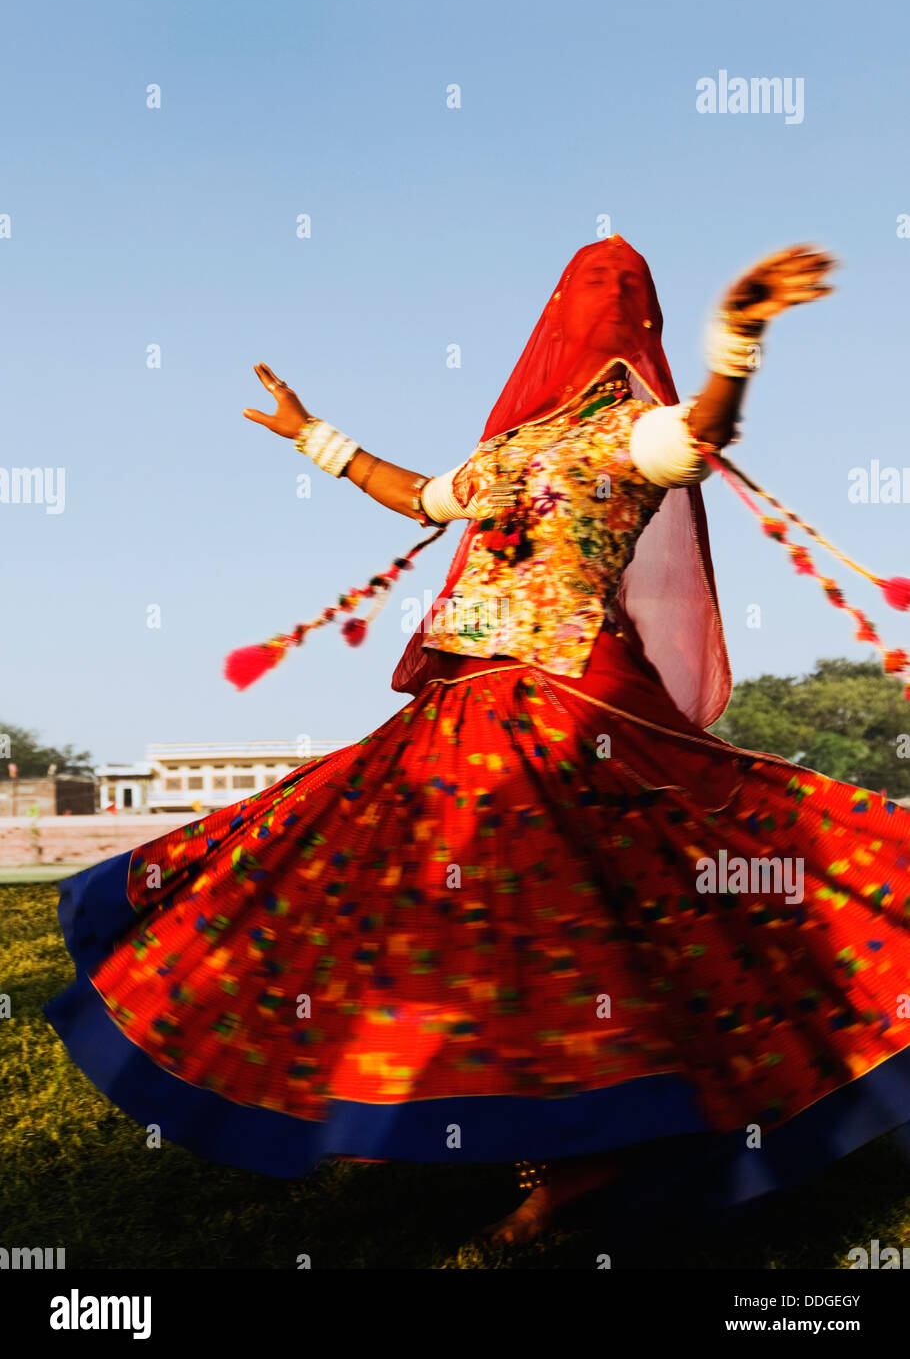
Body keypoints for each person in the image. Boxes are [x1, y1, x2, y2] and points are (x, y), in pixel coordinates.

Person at [46, 236, 910, 1248]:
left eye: (610, 294)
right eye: (582, 290)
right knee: (368, 869)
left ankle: (591, 1151)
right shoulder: (506, 447)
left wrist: (740, 339)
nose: (589, 309)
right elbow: (418, 494)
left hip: (568, 706)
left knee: (573, 912)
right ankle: (451, 1113)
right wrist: (312, 435)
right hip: (463, 705)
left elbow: (701, 433)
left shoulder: (635, 431)